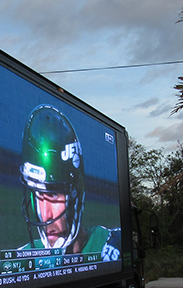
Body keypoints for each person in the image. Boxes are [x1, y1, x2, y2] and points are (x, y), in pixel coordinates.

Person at [19, 104, 120, 260]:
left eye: (53, 195)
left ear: (75, 194)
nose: (45, 215)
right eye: (38, 195)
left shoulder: (109, 247)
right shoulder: (23, 259)